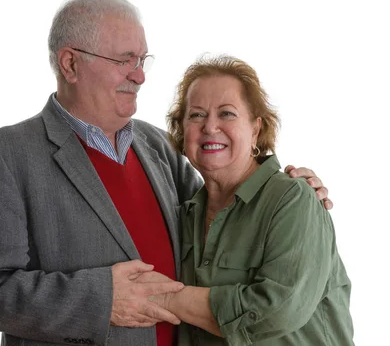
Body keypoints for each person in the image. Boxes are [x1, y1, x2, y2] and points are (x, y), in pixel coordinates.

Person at [0, 0, 333, 346]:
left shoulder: (156, 145)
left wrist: (289, 190)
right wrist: (102, 299)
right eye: (124, 60)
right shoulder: (3, 156)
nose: (139, 76)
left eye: (141, 60)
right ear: (71, 64)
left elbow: (221, 214)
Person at [151, 55, 354, 345]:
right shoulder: (184, 214)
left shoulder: (292, 200)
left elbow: (277, 311)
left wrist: (167, 298)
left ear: (256, 129)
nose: (210, 127)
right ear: (182, 131)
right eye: (196, 115)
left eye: (227, 113)